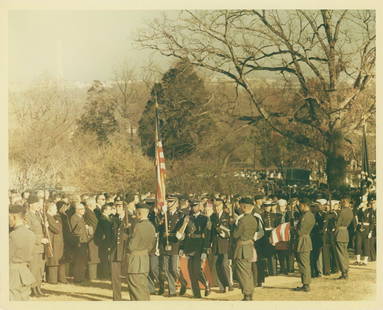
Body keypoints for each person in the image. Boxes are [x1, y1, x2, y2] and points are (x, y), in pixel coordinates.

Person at [180, 201, 211, 298]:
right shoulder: (187, 218)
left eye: (196, 206)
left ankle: (206, 283)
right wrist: (182, 247)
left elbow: (207, 236)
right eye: (192, 206)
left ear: (199, 206)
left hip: (199, 245)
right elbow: (184, 234)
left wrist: (205, 250)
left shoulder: (204, 218)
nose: (194, 208)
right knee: (191, 271)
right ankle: (196, 294)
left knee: (197, 269)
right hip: (189, 245)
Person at [126, 202, 156, 301]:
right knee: (143, 288)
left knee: (136, 291)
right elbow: (152, 245)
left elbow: (131, 246)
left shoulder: (138, 227)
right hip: (144, 259)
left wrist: (128, 237)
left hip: (135, 261)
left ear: (139, 213)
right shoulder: (151, 226)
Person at [158, 198, 187, 297]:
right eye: (168, 201)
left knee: (174, 268)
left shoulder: (180, 215)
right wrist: (161, 214)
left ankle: (183, 282)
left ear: (176, 203)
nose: (169, 203)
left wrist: (182, 246)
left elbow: (182, 233)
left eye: (171, 202)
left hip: (174, 245)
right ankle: (172, 290)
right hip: (165, 244)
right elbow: (158, 227)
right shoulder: (164, 215)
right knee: (166, 269)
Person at [9, 204, 36, 300]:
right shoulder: (31, 234)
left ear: (14, 216)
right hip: (25, 273)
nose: (8, 220)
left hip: (13, 274)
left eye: (9, 217)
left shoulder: (12, 235)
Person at [233, 197, 258, 301]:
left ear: (244, 206)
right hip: (249, 246)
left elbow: (235, 235)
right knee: (248, 272)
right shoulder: (253, 219)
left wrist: (232, 225)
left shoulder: (242, 220)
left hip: (242, 247)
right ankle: (249, 292)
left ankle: (247, 293)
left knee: (242, 272)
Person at [25, 194, 49, 297]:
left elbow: (42, 229)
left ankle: (38, 288)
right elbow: (28, 233)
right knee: (34, 269)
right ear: (31, 204)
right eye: (36, 203)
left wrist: (45, 225)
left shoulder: (38, 214)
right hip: (34, 246)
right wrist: (40, 239)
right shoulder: (27, 216)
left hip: (42, 247)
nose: (38, 205)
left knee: (40, 268)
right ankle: (33, 289)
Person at [293, 198, 315, 292]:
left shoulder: (307, 216)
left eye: (301, 205)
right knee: (302, 263)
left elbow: (300, 231)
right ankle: (305, 283)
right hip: (304, 239)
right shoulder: (307, 215)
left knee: (304, 263)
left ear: (305, 205)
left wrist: (293, 228)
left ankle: (306, 284)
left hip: (303, 240)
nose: (300, 207)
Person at [211, 198, 232, 292]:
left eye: (218, 206)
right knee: (216, 265)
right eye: (215, 206)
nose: (217, 208)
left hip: (225, 243)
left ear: (222, 206)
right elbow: (211, 232)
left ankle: (229, 284)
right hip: (215, 243)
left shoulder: (227, 216)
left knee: (225, 264)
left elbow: (231, 231)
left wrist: (225, 235)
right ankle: (221, 286)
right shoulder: (212, 217)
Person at [110, 200, 129, 301]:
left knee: (129, 276)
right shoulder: (113, 219)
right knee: (115, 277)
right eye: (116, 206)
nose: (117, 208)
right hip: (115, 251)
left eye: (119, 206)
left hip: (125, 251)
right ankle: (116, 298)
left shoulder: (130, 220)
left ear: (124, 208)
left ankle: (134, 297)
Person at [70, 202, 92, 283]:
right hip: (79, 242)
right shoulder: (74, 217)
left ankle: (81, 277)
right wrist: (82, 226)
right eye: (82, 209)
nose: (84, 211)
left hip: (84, 241)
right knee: (78, 260)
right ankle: (78, 278)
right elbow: (75, 231)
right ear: (77, 210)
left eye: (84, 209)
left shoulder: (81, 217)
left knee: (82, 260)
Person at [335, 197, 354, 280]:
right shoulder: (350, 212)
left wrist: (335, 232)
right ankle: (346, 269)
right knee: (345, 253)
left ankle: (344, 272)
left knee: (340, 254)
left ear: (344, 203)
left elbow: (338, 223)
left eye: (342, 202)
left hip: (340, 232)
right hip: (345, 232)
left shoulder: (342, 212)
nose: (341, 204)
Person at [46, 202, 64, 284]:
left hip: (56, 242)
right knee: (53, 261)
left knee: (55, 261)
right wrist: (57, 223)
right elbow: (57, 229)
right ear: (50, 209)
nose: (56, 210)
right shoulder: (49, 217)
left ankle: (54, 279)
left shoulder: (52, 217)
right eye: (55, 208)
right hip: (53, 242)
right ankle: (52, 280)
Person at [94, 203, 114, 280]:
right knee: (104, 259)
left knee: (105, 259)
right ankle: (105, 275)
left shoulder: (107, 218)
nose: (110, 211)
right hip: (104, 242)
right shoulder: (103, 220)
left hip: (104, 242)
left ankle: (105, 274)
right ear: (105, 210)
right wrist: (108, 244)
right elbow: (107, 233)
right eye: (109, 209)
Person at [83, 196, 100, 281]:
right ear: (91, 204)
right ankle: (92, 277)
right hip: (91, 238)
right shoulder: (89, 213)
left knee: (93, 256)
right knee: (92, 256)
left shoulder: (90, 212)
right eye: (94, 203)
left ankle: (92, 276)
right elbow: (95, 225)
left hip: (92, 237)